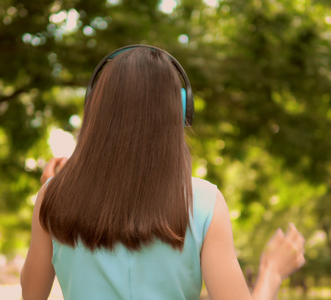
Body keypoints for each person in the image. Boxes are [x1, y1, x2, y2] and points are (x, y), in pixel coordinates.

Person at [20, 45, 305, 300]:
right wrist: (272, 272)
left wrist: (54, 193)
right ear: (180, 112)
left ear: (94, 108)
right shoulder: (205, 201)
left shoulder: (52, 197)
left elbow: (31, 295)